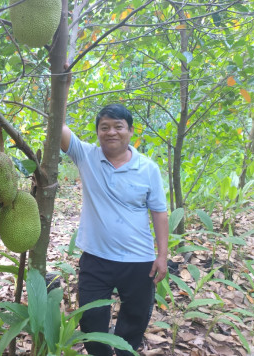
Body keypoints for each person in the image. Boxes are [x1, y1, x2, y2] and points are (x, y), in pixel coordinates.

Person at [61, 102, 169, 355]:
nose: (111, 132)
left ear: (130, 131)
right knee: (91, 318)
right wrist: (63, 80)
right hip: (96, 259)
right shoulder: (86, 156)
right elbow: (58, 126)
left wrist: (162, 256)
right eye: (104, 127)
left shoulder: (148, 168)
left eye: (118, 126)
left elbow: (159, 213)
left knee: (135, 317)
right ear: (97, 132)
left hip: (138, 259)